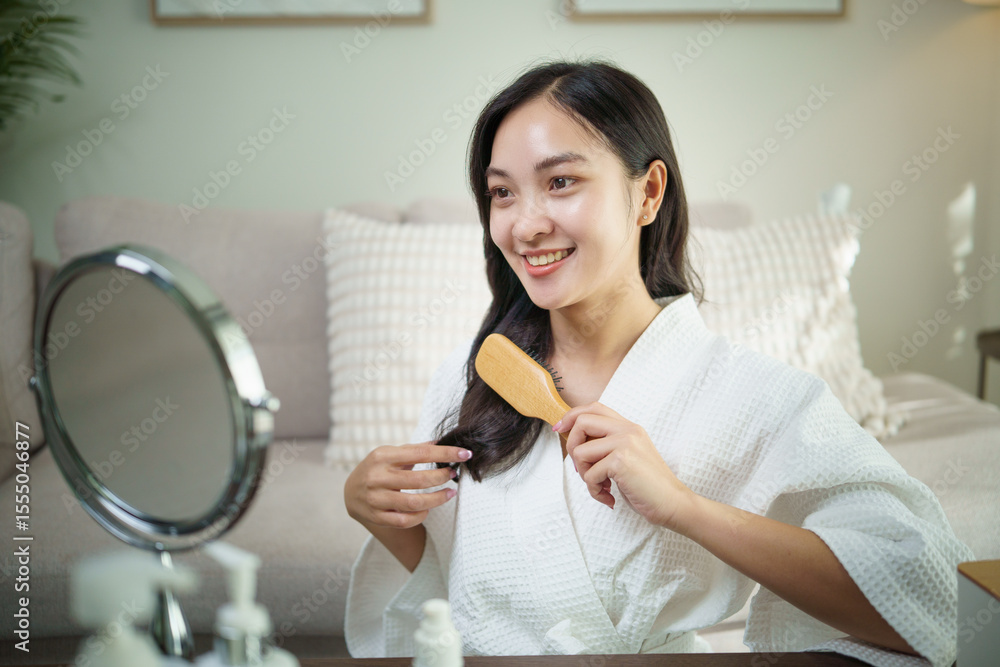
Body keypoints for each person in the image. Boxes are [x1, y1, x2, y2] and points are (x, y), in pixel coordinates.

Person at [343, 59, 972, 666]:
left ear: (647, 193)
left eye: (560, 182)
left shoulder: (752, 393)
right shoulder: (472, 379)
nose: (525, 226)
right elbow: (451, 592)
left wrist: (682, 507)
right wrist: (380, 514)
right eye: (502, 193)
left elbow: (929, 601)